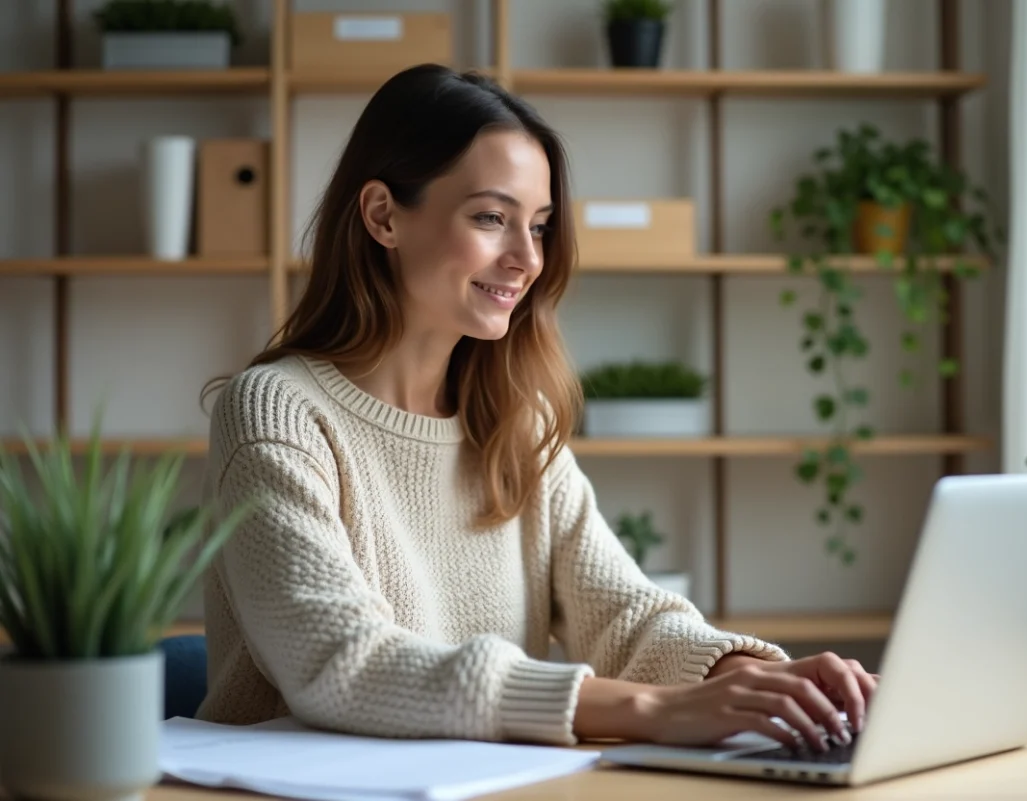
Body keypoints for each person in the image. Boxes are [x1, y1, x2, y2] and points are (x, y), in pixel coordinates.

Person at [196, 63, 876, 753]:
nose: (528, 258)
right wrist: (656, 708)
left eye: (541, 226)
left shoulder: (512, 421)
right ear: (382, 216)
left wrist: (763, 679)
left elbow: (626, 618)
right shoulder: (277, 412)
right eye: (492, 217)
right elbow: (341, 662)